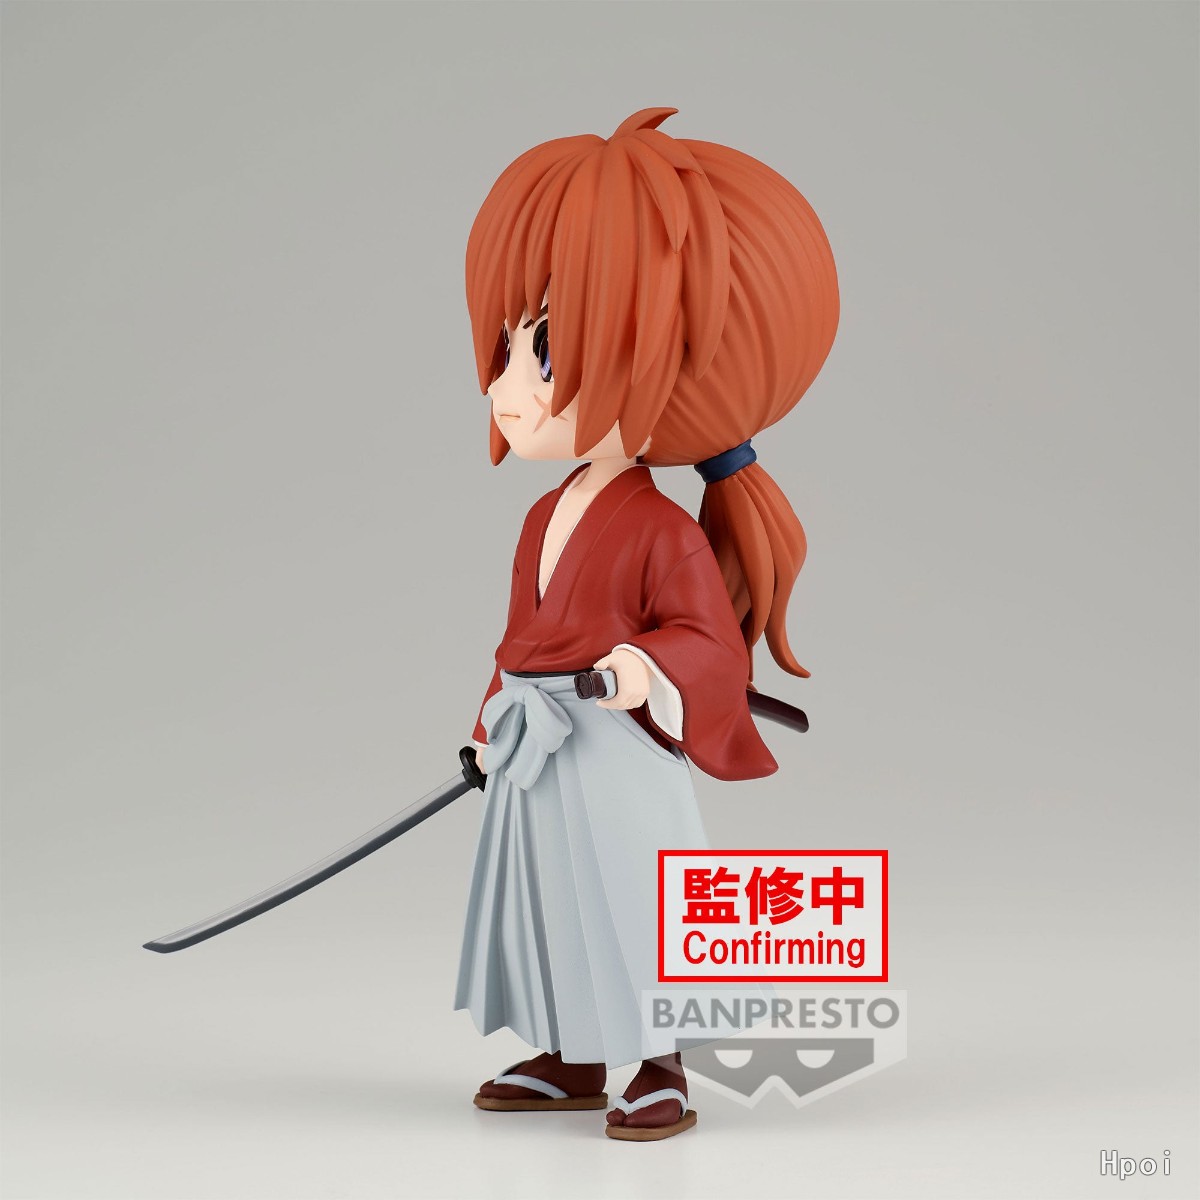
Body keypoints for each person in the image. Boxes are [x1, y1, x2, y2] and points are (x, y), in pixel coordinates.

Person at [453, 107, 839, 1141]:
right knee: (546, 900)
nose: (507, 388)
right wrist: (488, 725)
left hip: (614, 743)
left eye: (544, 350)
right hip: (538, 746)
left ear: (659, 360)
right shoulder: (544, 516)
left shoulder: (659, 528)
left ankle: (659, 1061)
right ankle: (571, 1051)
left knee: (630, 895)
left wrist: (642, 668)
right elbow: (518, 642)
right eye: (507, 347)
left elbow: (706, 641)